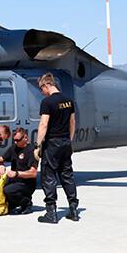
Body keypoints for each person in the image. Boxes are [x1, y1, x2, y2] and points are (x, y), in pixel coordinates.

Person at [34, 73, 79, 224]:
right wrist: (69, 140)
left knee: (49, 176)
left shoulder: (47, 102)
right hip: (66, 142)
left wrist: (38, 145)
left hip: (52, 143)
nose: (41, 92)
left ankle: (51, 212)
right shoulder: (69, 101)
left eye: (41, 89)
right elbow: (72, 122)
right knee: (67, 175)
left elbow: (43, 125)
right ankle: (73, 209)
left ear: (46, 85)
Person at [0, 127, 38, 215]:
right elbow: (0, 159)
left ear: (25, 138)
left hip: (26, 183)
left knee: (7, 191)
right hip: (14, 180)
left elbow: (33, 173)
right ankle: (13, 203)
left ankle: (26, 203)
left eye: (18, 140)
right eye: (14, 140)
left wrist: (16, 174)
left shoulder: (31, 151)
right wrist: (0, 166)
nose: (15, 142)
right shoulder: (13, 148)